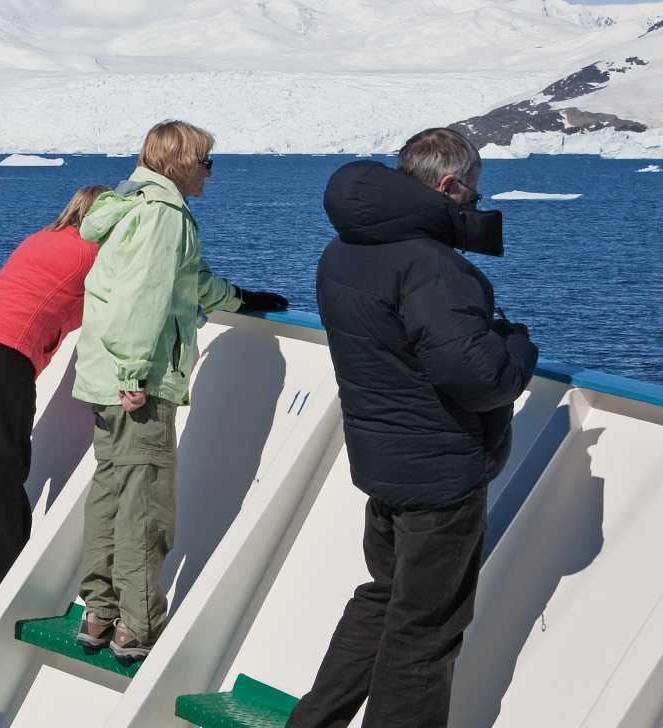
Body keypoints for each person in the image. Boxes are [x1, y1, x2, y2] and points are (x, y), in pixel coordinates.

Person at [287, 128, 538, 728]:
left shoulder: (343, 249)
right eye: (474, 192)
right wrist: (516, 346)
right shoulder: (432, 267)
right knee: (424, 633)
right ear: (449, 186)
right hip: (439, 477)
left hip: (382, 462)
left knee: (384, 599)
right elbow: (480, 379)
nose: (477, 203)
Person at [70, 121, 289, 661]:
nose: (211, 172)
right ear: (183, 163)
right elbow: (143, 299)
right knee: (145, 501)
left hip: (105, 375)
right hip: (136, 383)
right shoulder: (165, 216)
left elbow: (186, 282)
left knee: (112, 491)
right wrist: (135, 376)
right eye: (207, 161)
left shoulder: (131, 205)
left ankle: (99, 610)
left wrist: (239, 297)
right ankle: (138, 623)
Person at [0, 185, 108, 595]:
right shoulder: (94, 254)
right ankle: (4, 574)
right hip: (7, 351)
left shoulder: (39, 239)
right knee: (4, 459)